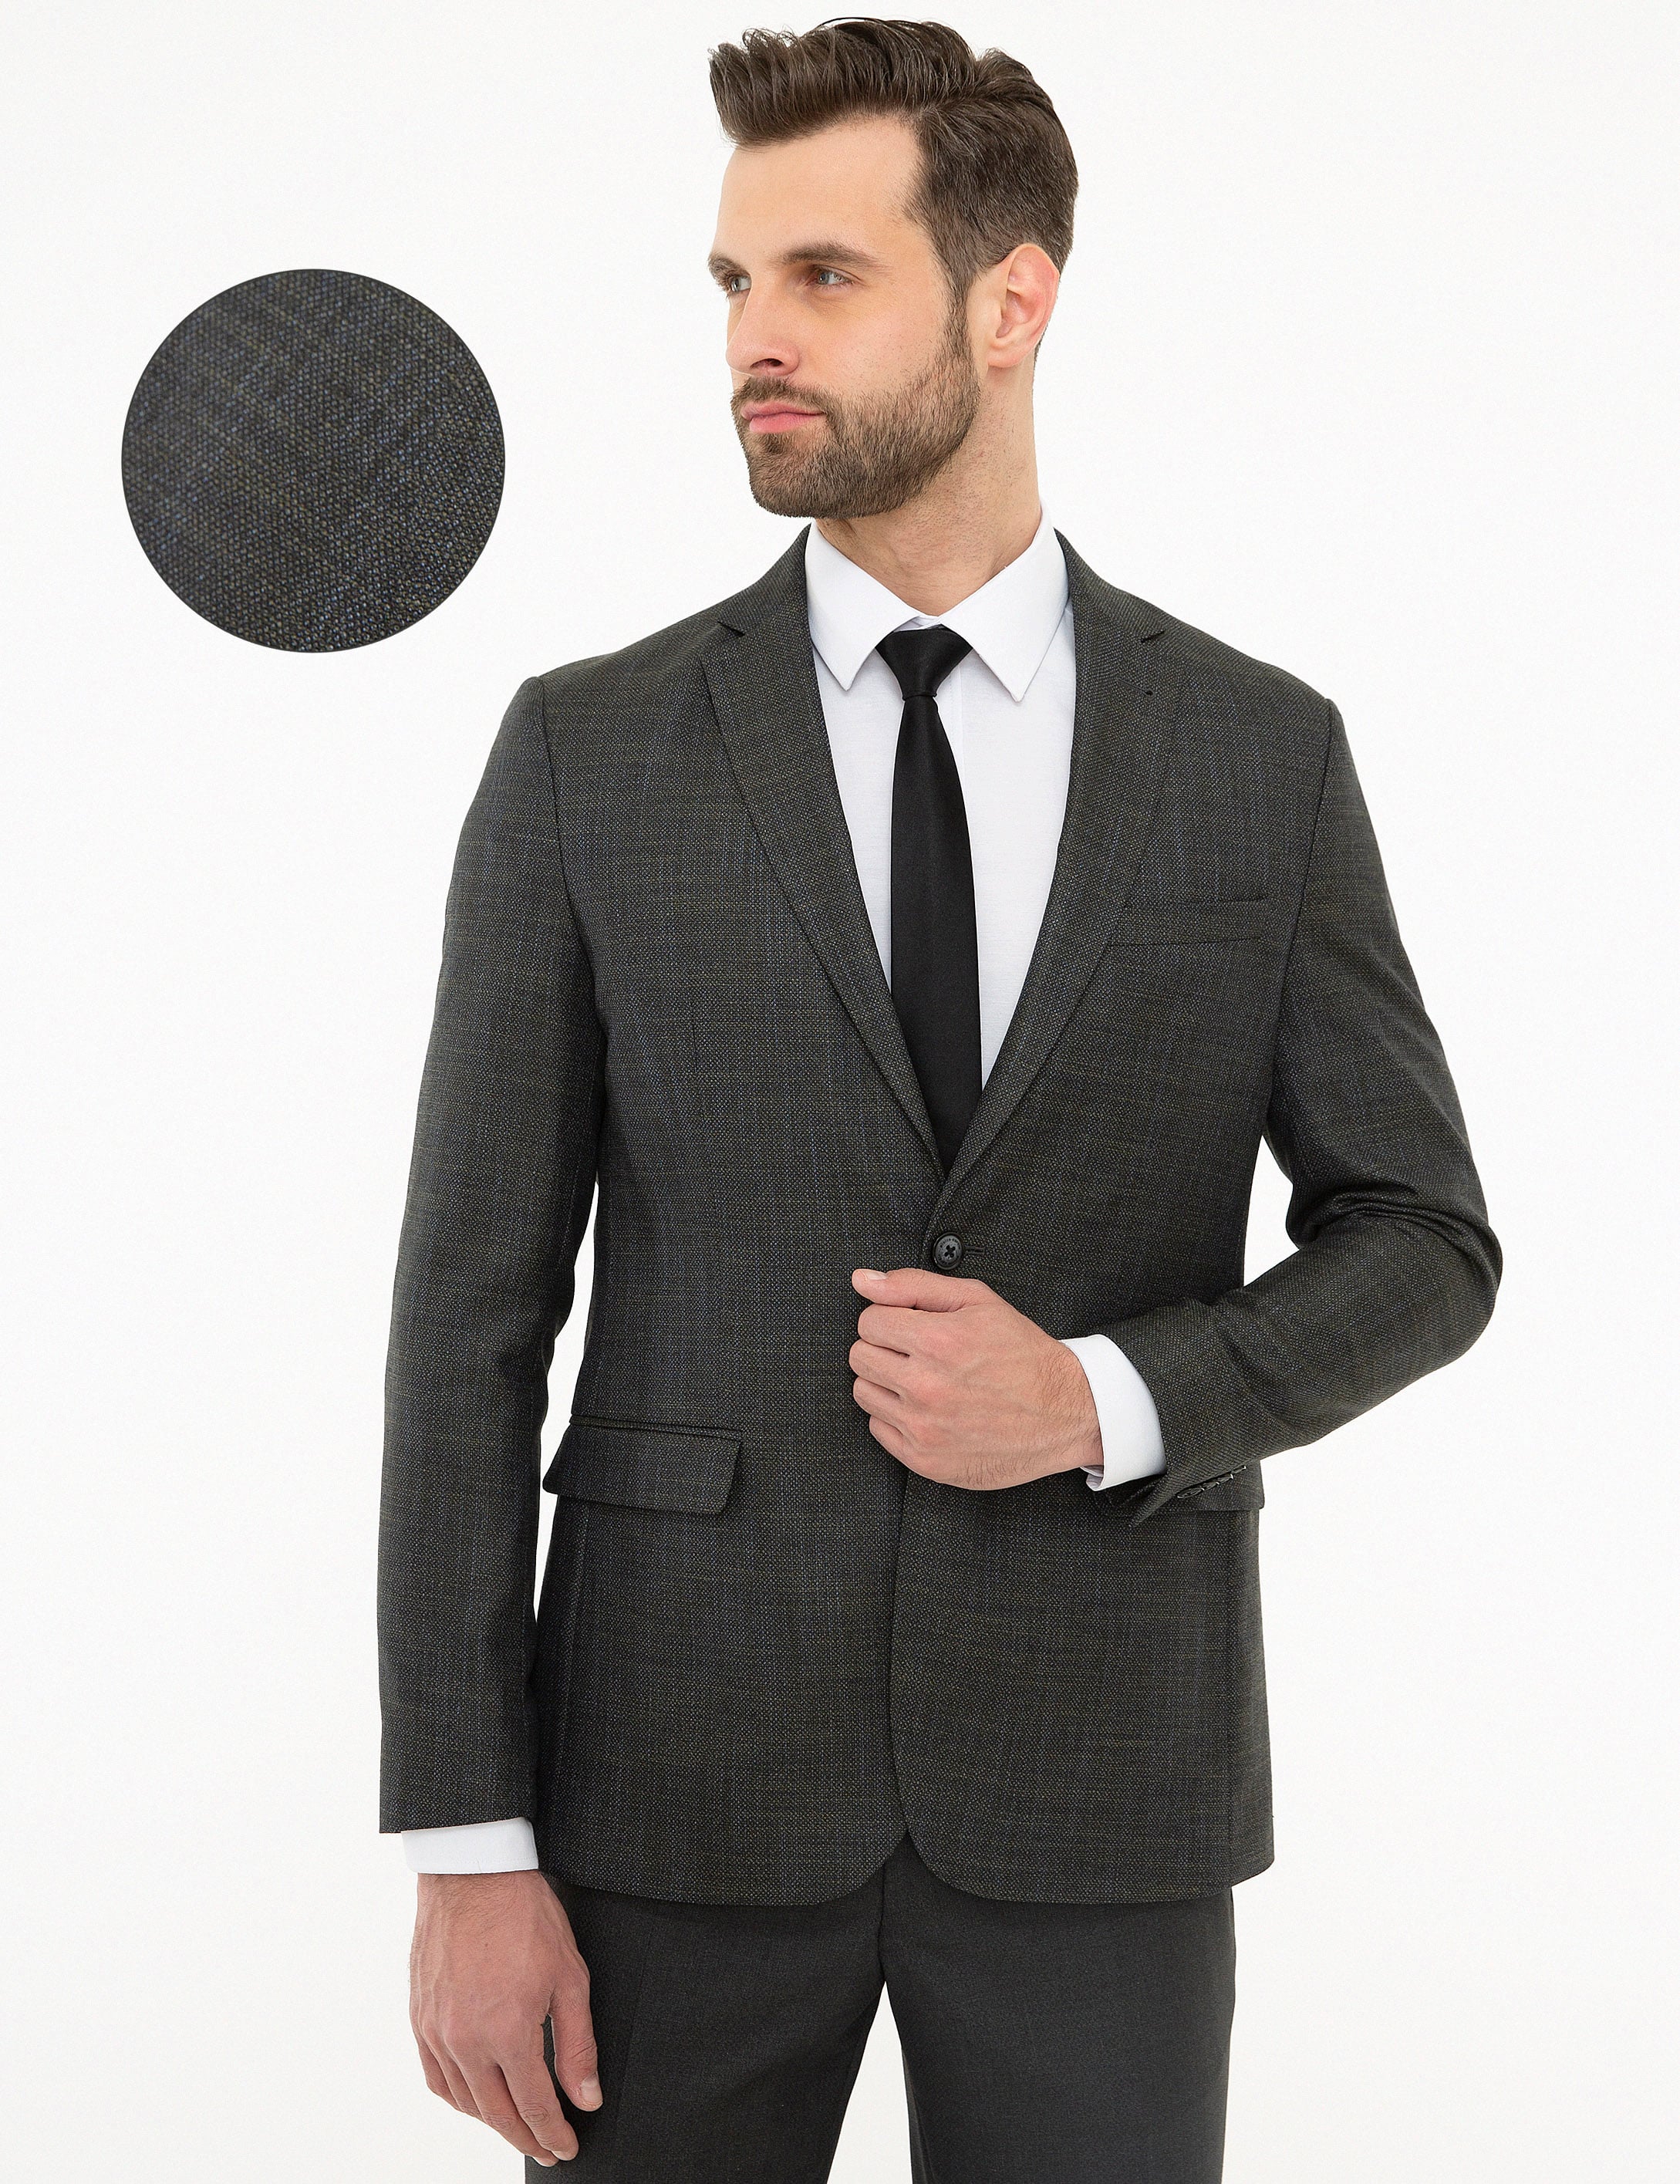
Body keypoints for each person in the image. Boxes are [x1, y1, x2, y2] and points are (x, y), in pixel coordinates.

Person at [377, 19, 1500, 2179]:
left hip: (1103, 1782)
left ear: (1010, 302)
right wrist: (465, 1843)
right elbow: (468, 1317)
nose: (754, 339)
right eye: (733, 282)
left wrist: (1103, 1399)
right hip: (670, 1787)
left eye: (824, 275)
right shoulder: (589, 751)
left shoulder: (1254, 755)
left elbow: (1423, 1243)